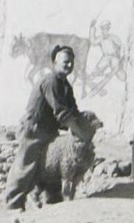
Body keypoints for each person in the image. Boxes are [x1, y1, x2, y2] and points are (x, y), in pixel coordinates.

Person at [5, 45, 86, 211]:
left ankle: (52, 204)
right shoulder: (51, 81)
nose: (69, 65)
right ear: (55, 63)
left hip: (49, 132)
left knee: (53, 166)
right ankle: (13, 205)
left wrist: (86, 124)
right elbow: (62, 113)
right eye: (65, 62)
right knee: (26, 167)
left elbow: (74, 112)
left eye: (71, 62)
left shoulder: (65, 85)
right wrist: (80, 132)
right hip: (33, 130)